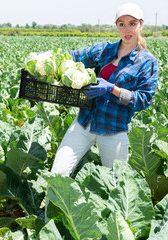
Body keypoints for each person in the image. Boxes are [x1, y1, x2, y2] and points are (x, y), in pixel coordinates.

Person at [45, 3, 158, 220]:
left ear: (141, 26)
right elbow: (73, 55)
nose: (127, 29)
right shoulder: (104, 50)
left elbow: (143, 100)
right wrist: (48, 58)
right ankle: (48, 221)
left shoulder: (147, 63)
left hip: (113, 131)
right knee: (57, 174)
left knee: (116, 185)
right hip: (84, 123)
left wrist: (113, 90)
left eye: (132, 24)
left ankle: (112, 226)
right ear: (117, 26)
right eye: (122, 24)